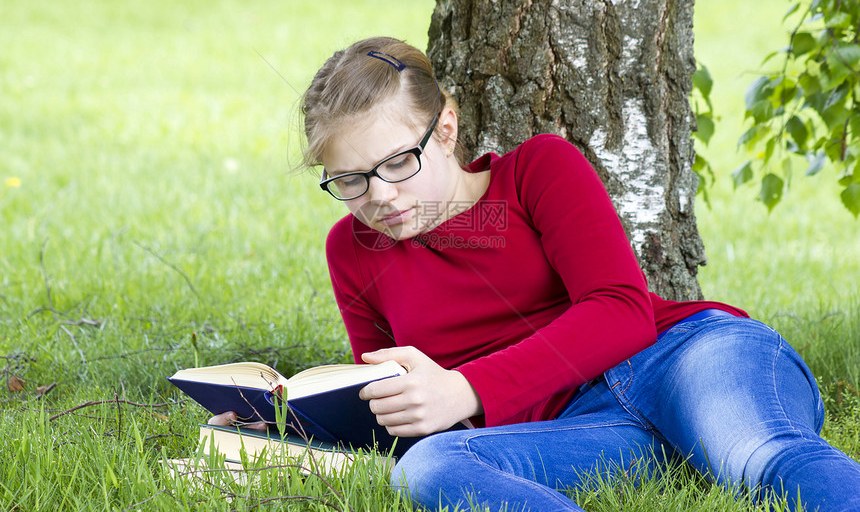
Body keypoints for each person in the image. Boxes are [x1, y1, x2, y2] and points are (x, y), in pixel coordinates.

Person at [215, 37, 860, 511]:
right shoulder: (352, 251)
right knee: (433, 469)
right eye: (350, 179)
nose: (378, 195)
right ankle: (681, 449)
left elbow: (621, 310)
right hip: (578, 431)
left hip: (681, 359)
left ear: (445, 129)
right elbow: (405, 405)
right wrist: (284, 423)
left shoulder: (537, 171)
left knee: (758, 460)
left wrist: (464, 388)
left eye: (395, 163)